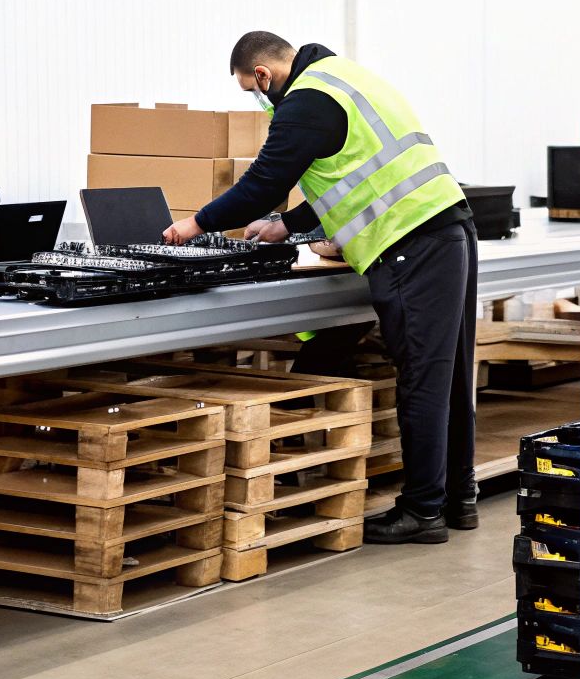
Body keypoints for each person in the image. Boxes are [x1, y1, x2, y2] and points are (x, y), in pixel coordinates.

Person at [166, 32, 477, 545]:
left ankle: (423, 512)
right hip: (445, 227)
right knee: (447, 373)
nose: (257, 98)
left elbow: (262, 183)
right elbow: (352, 177)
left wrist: (194, 225)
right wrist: (286, 226)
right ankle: (456, 499)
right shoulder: (346, 78)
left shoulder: (304, 101)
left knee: (422, 377)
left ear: (262, 75)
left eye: (251, 89)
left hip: (409, 241)